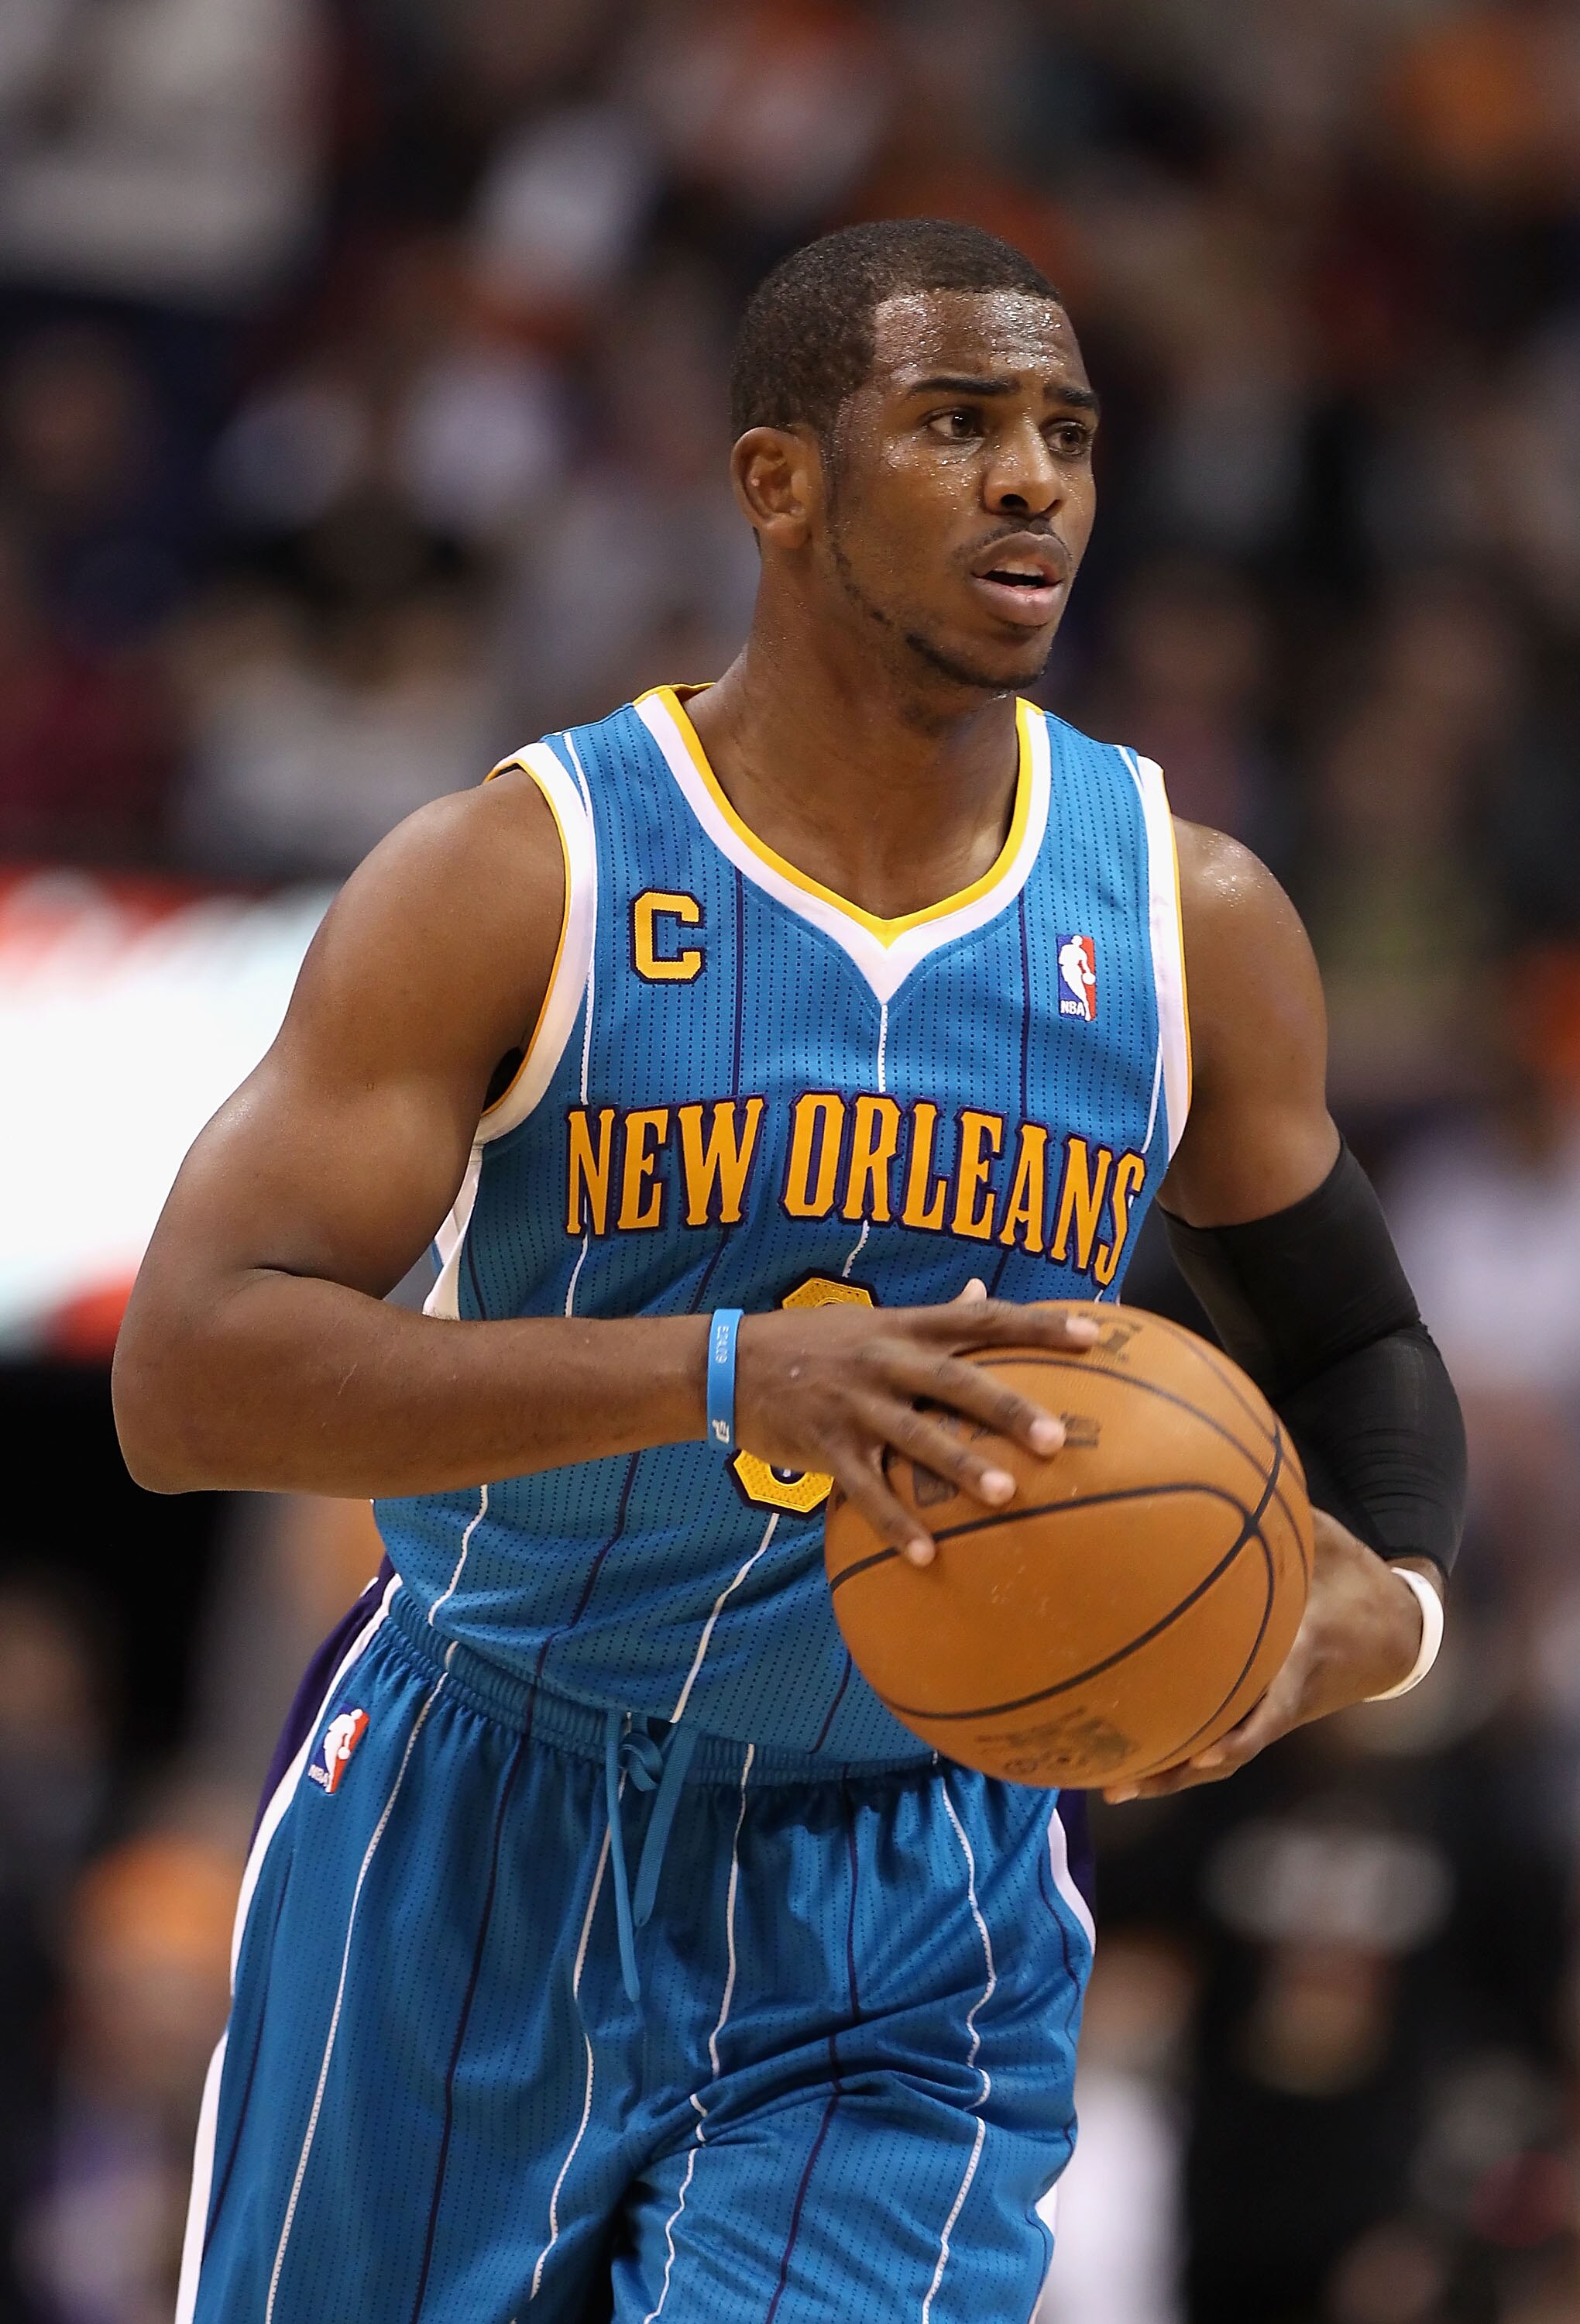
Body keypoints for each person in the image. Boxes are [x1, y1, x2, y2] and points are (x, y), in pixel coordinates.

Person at [112, 221, 1465, 2324]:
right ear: (779, 481)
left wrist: (1391, 1601)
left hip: (913, 1886)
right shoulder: (519, 876)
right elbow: (187, 1380)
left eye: (1067, 434)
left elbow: (1359, 1340)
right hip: (485, 1807)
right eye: (958, 423)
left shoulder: (1186, 918)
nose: (1032, 480)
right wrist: (727, 1374)